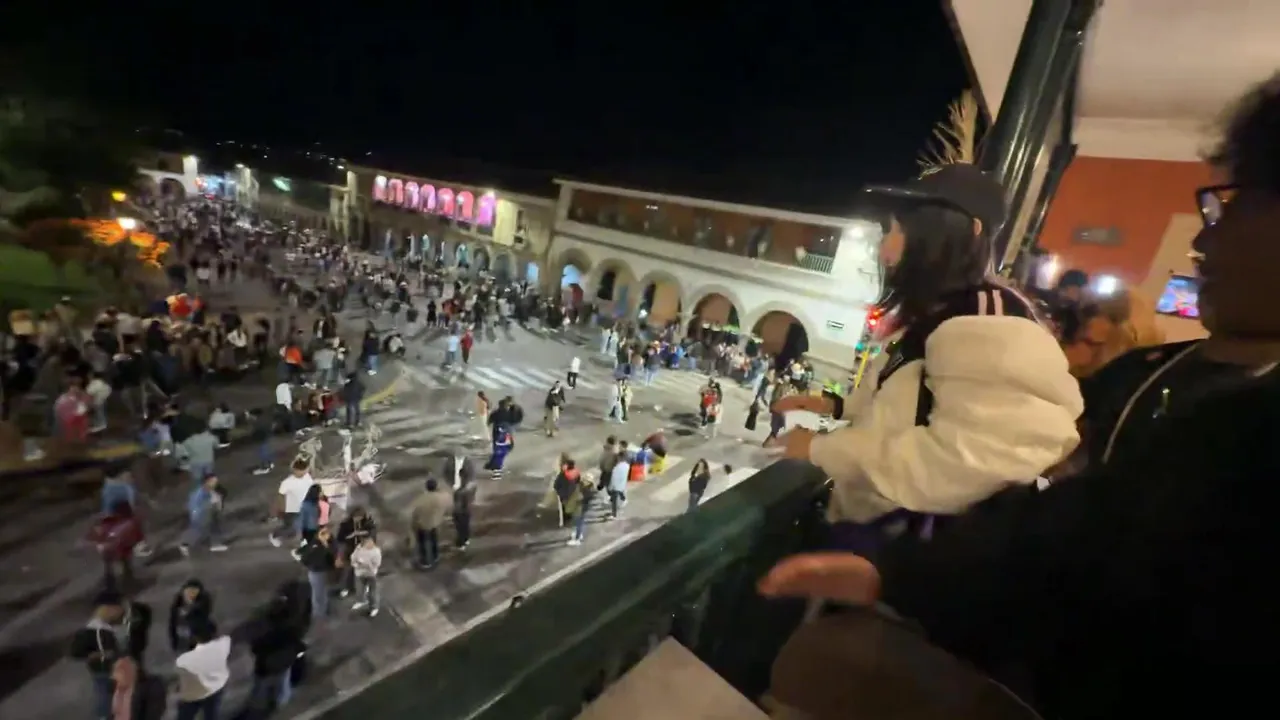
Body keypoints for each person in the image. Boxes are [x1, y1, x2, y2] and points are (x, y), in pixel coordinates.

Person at [771, 163, 1083, 554]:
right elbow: (913, 403)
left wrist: (821, 450)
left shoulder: (988, 323)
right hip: (875, 532)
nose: (885, 250)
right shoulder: (939, 311)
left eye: (898, 231)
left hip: (905, 554)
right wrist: (836, 406)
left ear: (962, 231)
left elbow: (964, 463)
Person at [173, 618, 230, 720]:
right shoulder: (224, 643)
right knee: (211, 715)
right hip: (216, 686)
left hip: (194, 692)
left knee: (185, 715)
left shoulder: (187, 658)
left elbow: (181, 669)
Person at [409, 477, 451, 569]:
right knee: (434, 540)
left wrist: (414, 524)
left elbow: (415, 513)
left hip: (423, 525)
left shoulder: (422, 499)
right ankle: (435, 557)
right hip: (435, 523)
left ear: (426, 487)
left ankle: (425, 562)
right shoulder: (441, 497)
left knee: (423, 543)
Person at [168, 579, 214, 653]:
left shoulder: (202, 603)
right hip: (184, 640)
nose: (191, 594)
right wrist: (174, 640)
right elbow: (172, 624)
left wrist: (190, 610)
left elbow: (203, 615)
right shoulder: (177, 606)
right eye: (188, 591)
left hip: (199, 638)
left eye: (194, 592)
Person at [349, 535, 383, 617]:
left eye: (371, 542)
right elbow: (353, 558)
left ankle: (374, 607)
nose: (370, 544)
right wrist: (356, 564)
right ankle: (362, 601)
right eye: (367, 543)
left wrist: (366, 564)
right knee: (359, 590)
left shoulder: (376, 551)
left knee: (373, 592)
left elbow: (377, 564)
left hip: (371, 574)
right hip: (360, 573)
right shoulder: (359, 548)